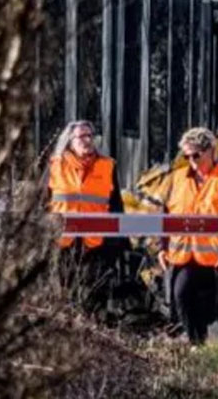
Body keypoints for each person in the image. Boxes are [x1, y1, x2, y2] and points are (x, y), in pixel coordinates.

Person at [157, 127, 218, 345]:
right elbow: (166, 217)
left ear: (210, 151)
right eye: (187, 156)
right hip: (186, 255)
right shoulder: (176, 179)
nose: (191, 161)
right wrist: (163, 247)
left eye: (196, 155)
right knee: (181, 295)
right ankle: (196, 343)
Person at [47, 120, 125, 313]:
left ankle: (93, 327)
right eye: (82, 136)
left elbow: (116, 206)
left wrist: (117, 241)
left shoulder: (107, 165)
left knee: (94, 296)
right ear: (70, 141)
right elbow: (42, 202)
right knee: (64, 295)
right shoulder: (55, 165)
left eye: (90, 135)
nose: (88, 140)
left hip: (97, 243)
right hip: (62, 242)